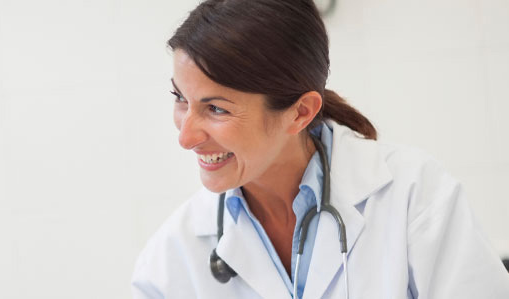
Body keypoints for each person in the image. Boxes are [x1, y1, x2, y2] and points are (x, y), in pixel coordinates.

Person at [131, 0, 509, 298]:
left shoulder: (414, 198)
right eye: (180, 99)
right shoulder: (171, 259)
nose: (186, 136)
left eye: (216, 109)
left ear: (300, 113)